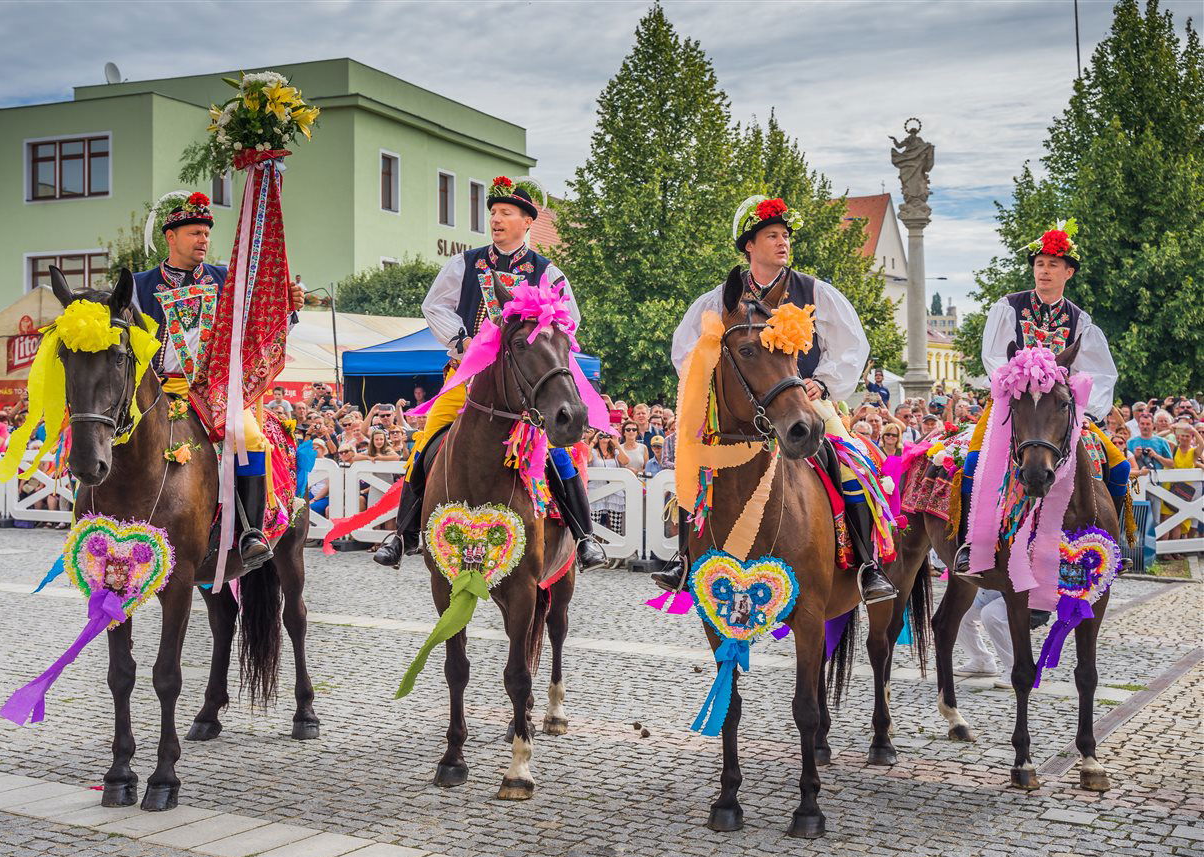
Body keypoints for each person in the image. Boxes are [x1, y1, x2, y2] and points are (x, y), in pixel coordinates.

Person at [655, 194, 897, 603]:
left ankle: (867, 565)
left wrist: (823, 381)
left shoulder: (815, 291)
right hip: (742, 407)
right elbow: (686, 349)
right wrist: (714, 388)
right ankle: (683, 558)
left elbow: (852, 344)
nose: (783, 242)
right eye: (772, 235)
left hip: (803, 401)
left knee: (851, 464)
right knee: (692, 462)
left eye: (785, 235)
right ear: (749, 245)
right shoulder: (721, 298)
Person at [373, 175, 606, 571]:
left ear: (527, 221)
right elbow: (435, 306)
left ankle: (584, 536)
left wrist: (541, 339)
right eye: (493, 213)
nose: (496, 220)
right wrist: (460, 339)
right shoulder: (465, 263)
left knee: (557, 449)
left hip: (522, 381)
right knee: (428, 438)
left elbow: (570, 319)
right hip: (466, 376)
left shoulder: (547, 272)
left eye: (506, 213)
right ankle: (404, 532)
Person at [132, 190, 305, 569]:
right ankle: (98, 514)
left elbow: (260, 320)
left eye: (207, 234)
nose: (203, 240)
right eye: (194, 233)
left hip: (215, 391)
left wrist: (287, 302)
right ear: (171, 237)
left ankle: (251, 532)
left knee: (251, 437)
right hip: (157, 390)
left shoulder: (226, 279)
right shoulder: (139, 285)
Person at [955, 220, 1126, 577]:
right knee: (973, 463)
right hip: (1013, 402)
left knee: (1120, 465)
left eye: (1052, 265)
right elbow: (993, 357)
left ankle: (1113, 540)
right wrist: (1016, 380)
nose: (1044, 271)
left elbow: (1101, 372)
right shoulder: (1009, 307)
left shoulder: (1080, 320)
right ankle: (970, 543)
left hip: (1061, 410)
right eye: (1039, 264)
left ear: (1069, 272)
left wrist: (1089, 410)